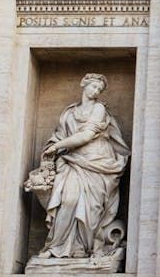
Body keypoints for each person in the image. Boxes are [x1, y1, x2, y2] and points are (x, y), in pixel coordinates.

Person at [28, 73, 130, 262]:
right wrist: (54, 146)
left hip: (98, 162)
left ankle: (82, 248)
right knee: (68, 200)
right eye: (93, 87)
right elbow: (59, 134)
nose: (96, 91)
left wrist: (57, 147)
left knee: (92, 208)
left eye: (99, 89)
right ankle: (57, 246)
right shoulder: (69, 112)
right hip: (72, 161)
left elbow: (86, 136)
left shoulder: (99, 109)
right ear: (84, 84)